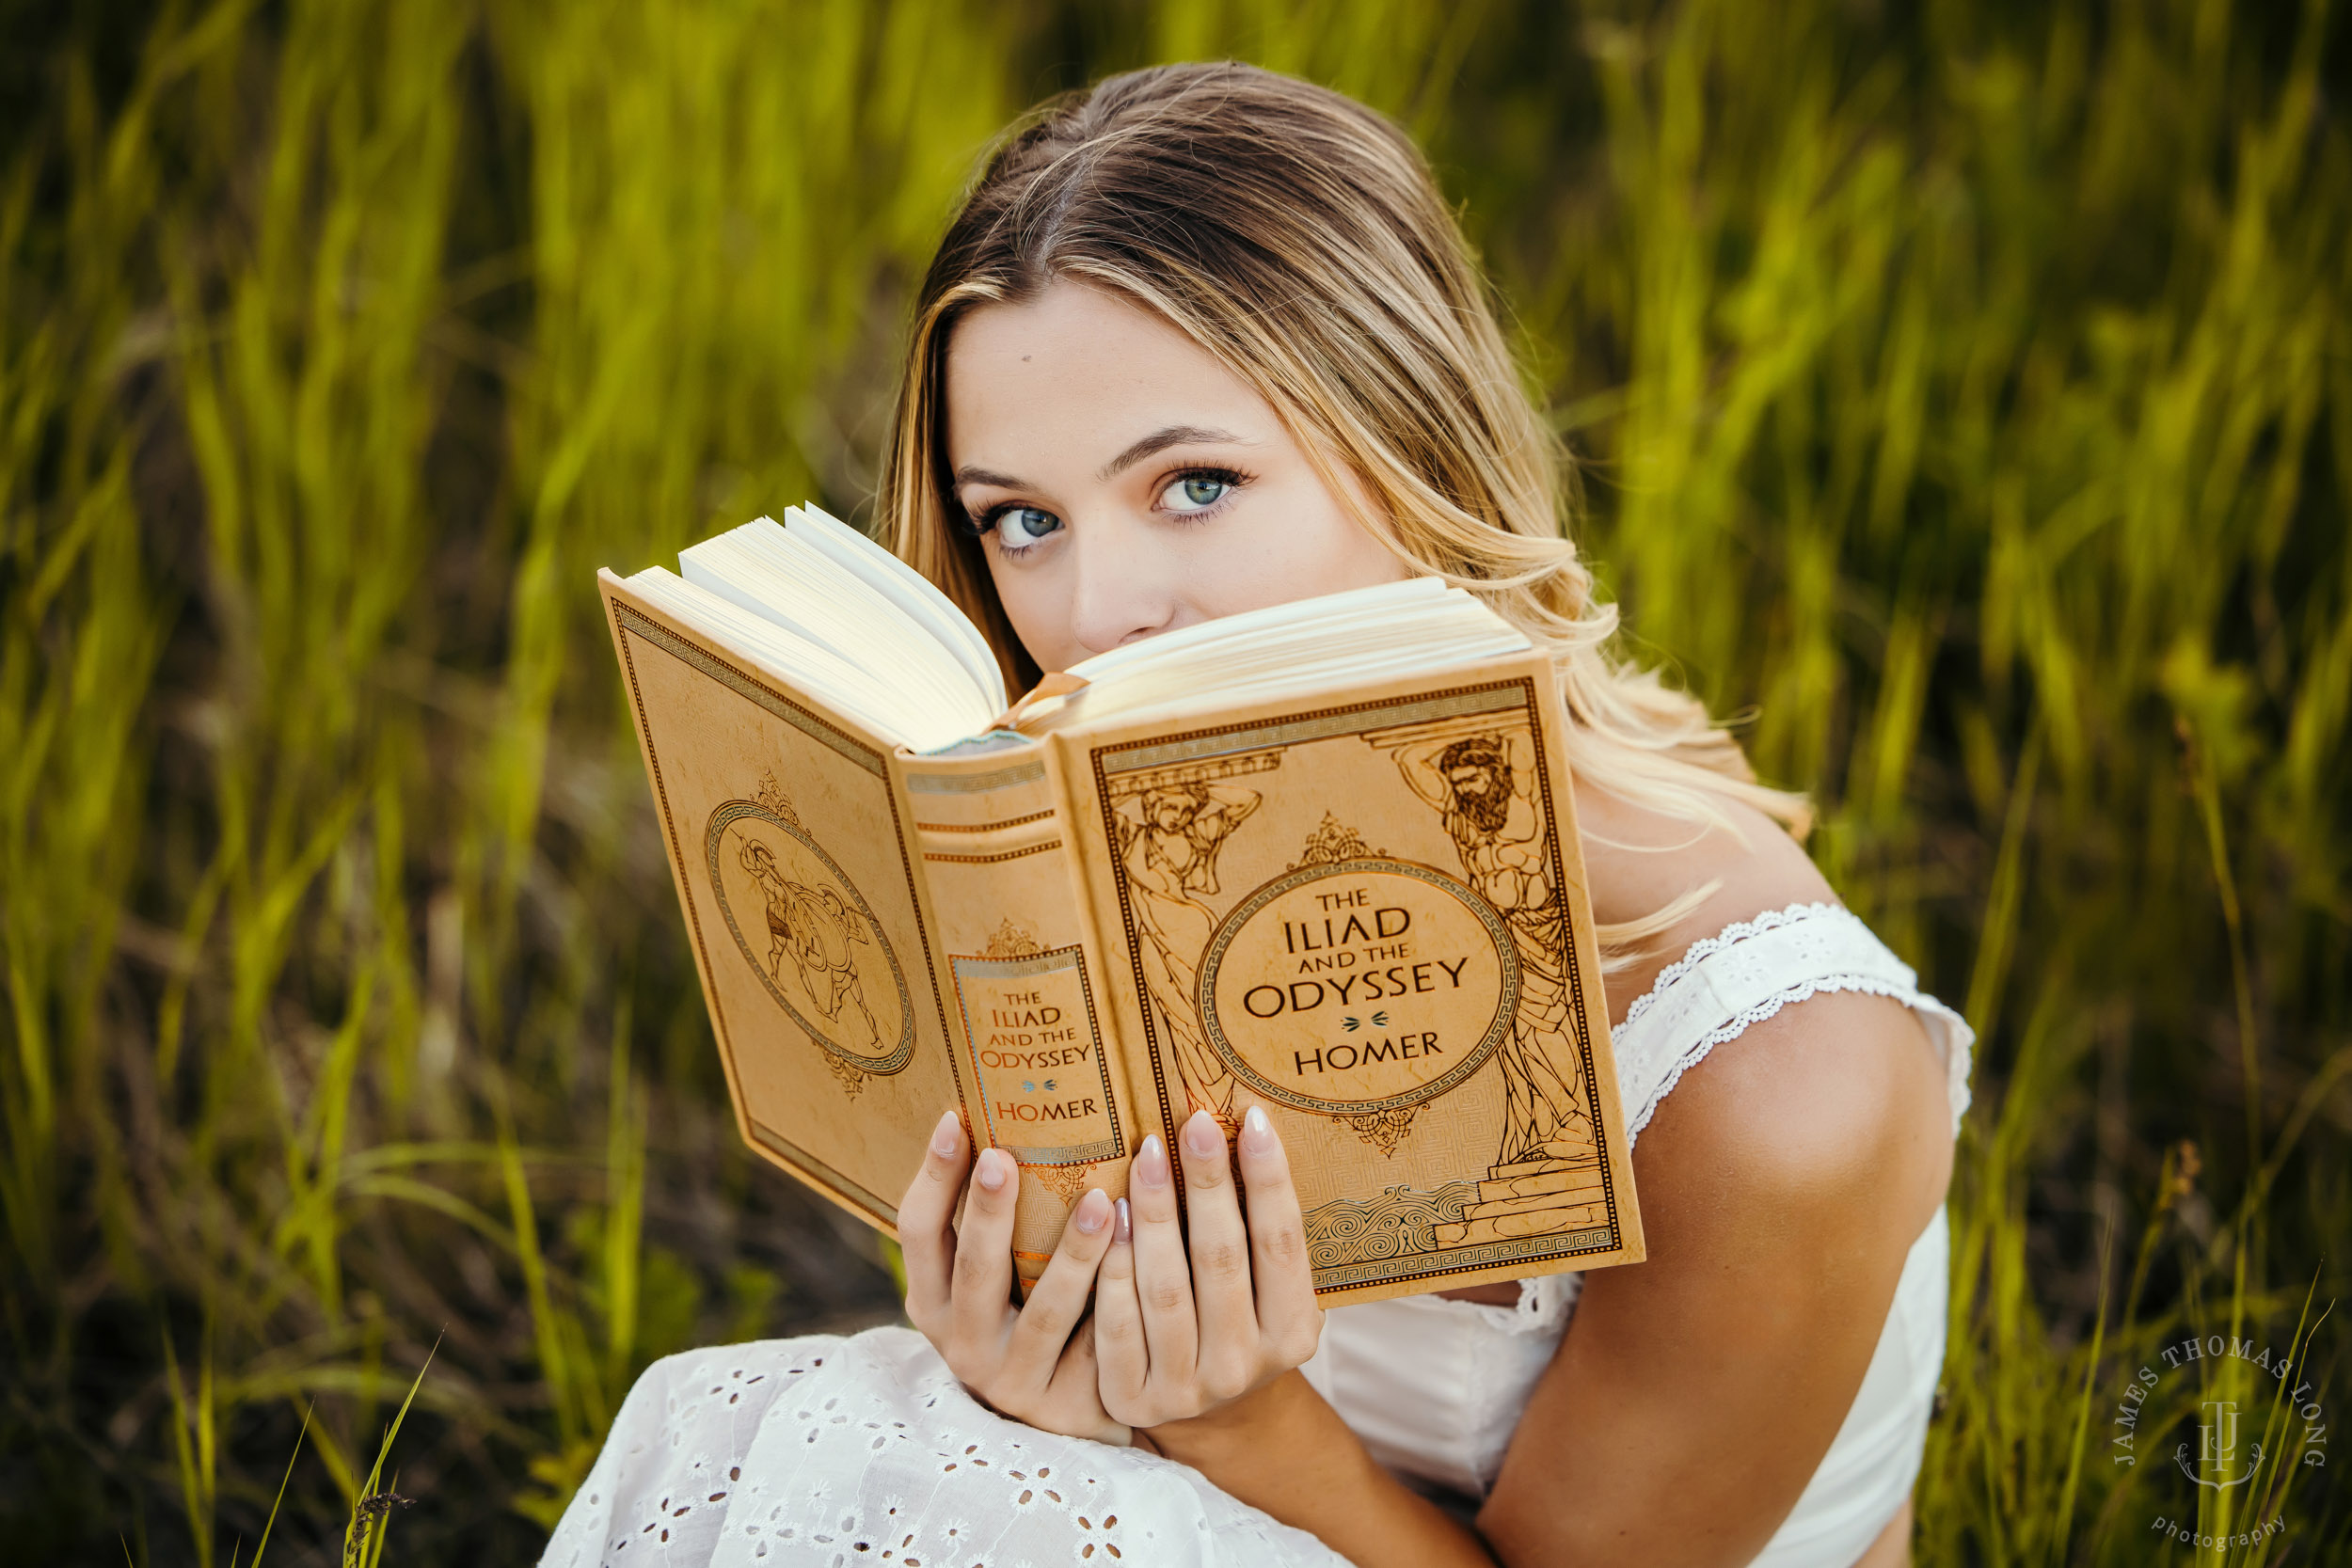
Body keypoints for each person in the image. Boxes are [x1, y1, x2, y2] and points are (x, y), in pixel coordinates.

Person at [544, 61, 1972, 1568]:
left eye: (1195, 485)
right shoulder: (1097, 892)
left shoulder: (1770, 1074)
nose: (1092, 616)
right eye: (1022, 521)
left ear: (1407, 439)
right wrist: (1054, 1378)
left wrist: (1229, 1427)